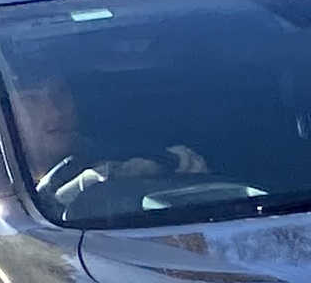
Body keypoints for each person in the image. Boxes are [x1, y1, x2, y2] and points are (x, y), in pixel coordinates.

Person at [11, 76, 207, 209]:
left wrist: (182, 171)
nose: (55, 111)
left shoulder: (119, 156)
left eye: (60, 93)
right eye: (31, 100)